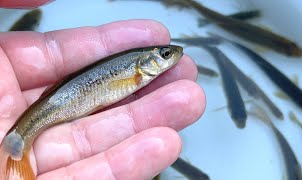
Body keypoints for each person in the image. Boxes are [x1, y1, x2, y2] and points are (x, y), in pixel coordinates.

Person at [0, 0, 205, 179]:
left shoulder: (138, 71)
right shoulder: (136, 72)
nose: (173, 54)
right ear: (144, 62)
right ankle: (16, 145)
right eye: (166, 55)